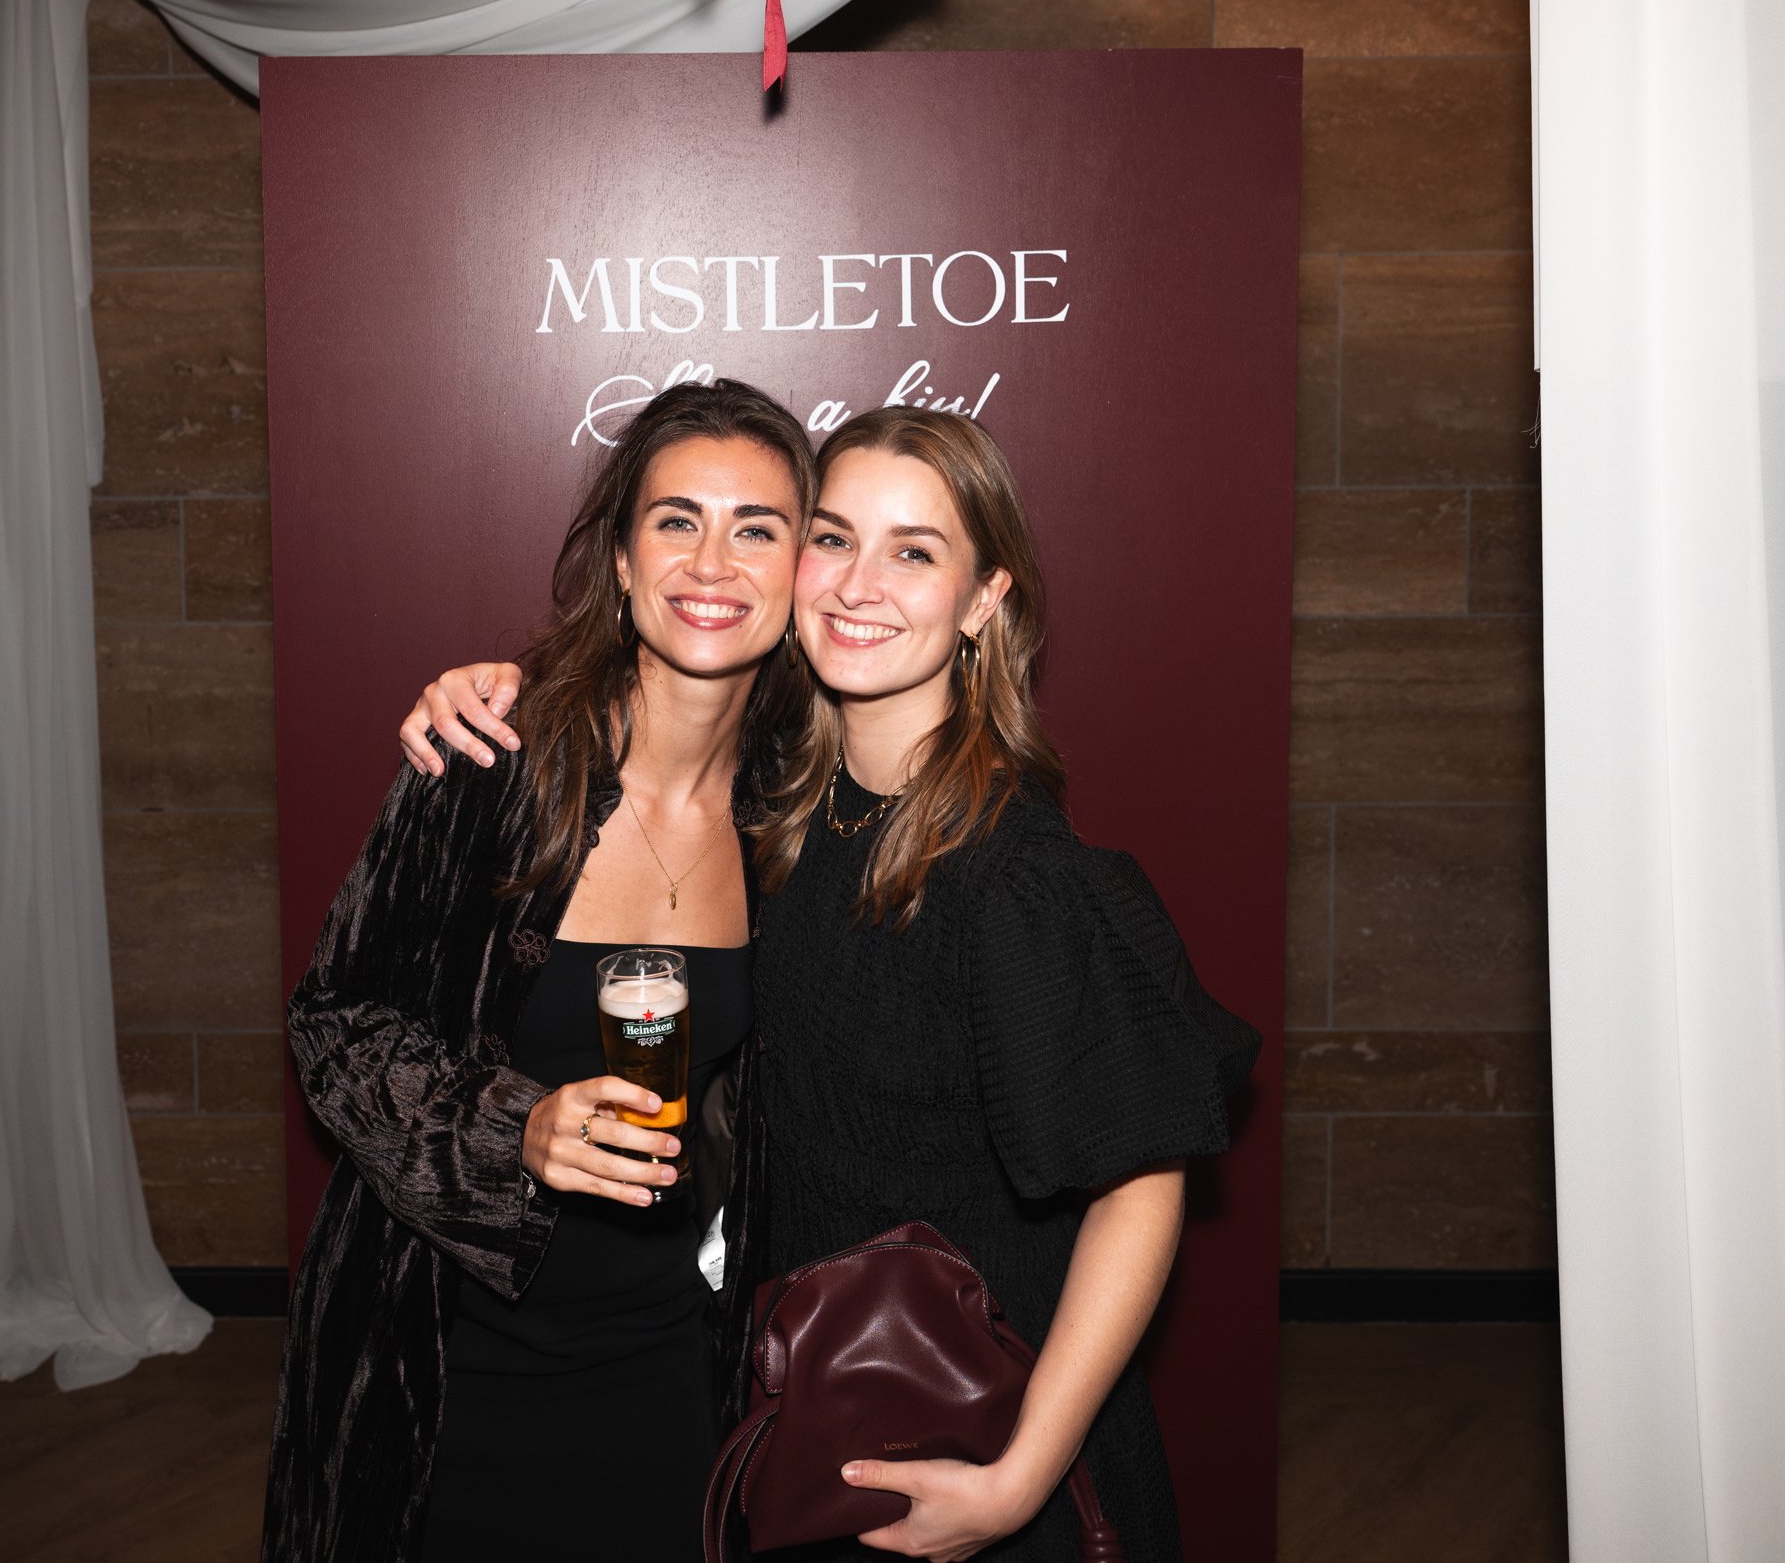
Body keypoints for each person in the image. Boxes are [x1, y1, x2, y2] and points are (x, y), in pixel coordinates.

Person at [399, 407, 1259, 1562]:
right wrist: (509, 685)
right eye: (833, 538)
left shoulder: (1012, 872)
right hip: (816, 1423)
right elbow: (643, 707)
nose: (859, 584)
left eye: (915, 551)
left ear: (985, 599)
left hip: (982, 1449)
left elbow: (1141, 1189)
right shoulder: (787, 819)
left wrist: (1016, 1481)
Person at [263, 378, 817, 1563]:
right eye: (675, 520)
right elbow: (333, 1021)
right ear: (620, 560)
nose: (711, 560)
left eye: (756, 527)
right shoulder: (492, 758)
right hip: (442, 1367)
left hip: (669, 1371)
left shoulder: (798, 812)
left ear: (799, 570)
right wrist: (512, 1127)